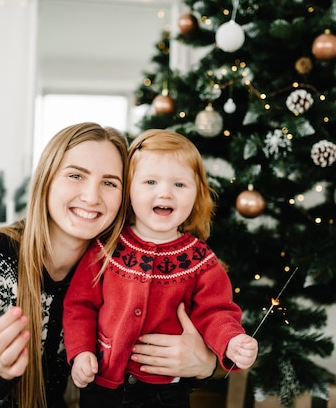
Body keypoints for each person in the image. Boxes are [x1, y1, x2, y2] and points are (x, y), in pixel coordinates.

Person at [0, 123, 217, 408]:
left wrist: (201, 366)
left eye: (110, 183)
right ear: (47, 179)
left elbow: (138, 374)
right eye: (75, 175)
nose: (91, 196)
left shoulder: (122, 271)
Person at [63, 129, 259, 408]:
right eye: (151, 182)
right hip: (104, 386)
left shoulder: (201, 262)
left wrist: (232, 341)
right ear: (129, 190)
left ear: (197, 194)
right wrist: (81, 352)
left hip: (166, 393)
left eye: (180, 185)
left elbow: (216, 312)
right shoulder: (105, 248)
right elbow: (80, 305)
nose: (165, 192)